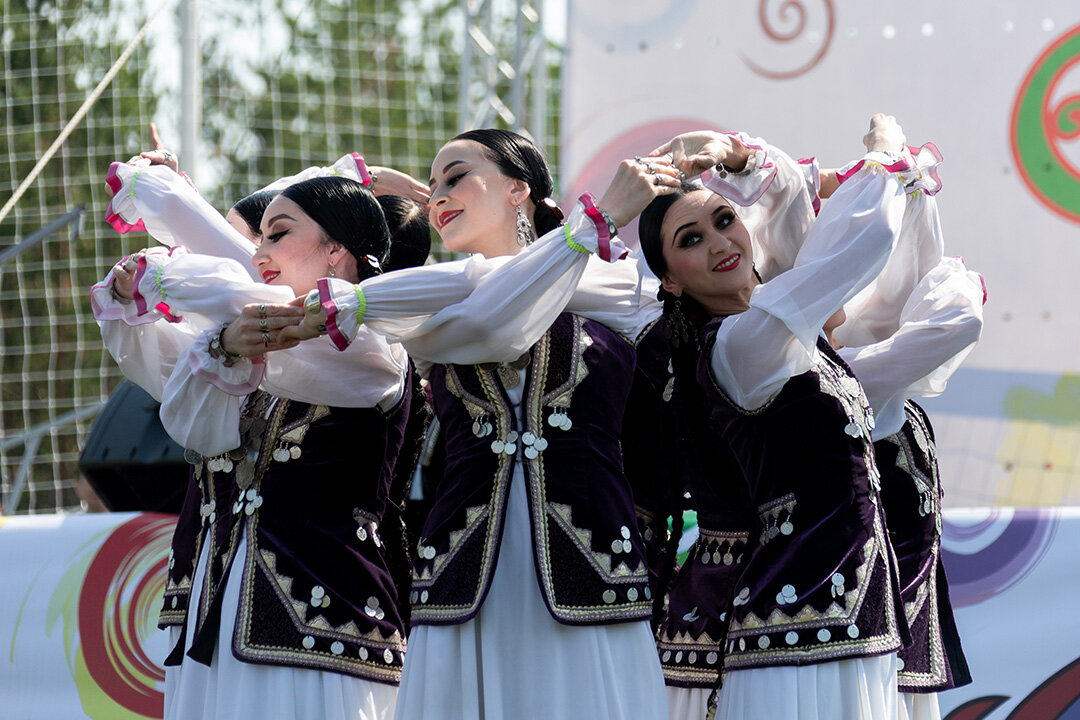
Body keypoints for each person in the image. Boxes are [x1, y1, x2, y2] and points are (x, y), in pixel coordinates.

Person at [284, 129, 681, 719]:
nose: (437, 195)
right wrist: (351, 176)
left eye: (456, 176)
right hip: (465, 566)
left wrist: (736, 158)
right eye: (433, 184)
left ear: (518, 188)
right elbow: (494, 321)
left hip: (594, 558)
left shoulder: (618, 282)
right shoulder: (420, 302)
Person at [94, 177, 419, 720]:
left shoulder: (375, 345)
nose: (258, 254)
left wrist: (174, 275)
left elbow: (282, 330)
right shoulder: (241, 346)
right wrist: (140, 305)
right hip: (216, 614)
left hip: (323, 621)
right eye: (257, 239)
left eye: (277, 235)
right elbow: (181, 402)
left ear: (336, 249)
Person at [637, 115, 918, 719]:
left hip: (852, 616)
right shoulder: (742, 343)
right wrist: (884, 158)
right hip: (796, 639)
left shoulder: (782, 324)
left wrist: (737, 155)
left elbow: (795, 219)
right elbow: (852, 249)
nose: (719, 243)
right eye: (690, 240)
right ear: (671, 283)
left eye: (724, 219)